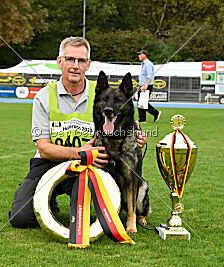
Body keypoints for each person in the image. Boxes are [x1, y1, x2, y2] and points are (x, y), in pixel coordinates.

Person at [8, 37, 147, 228]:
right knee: (21, 219)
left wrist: (135, 136)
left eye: (81, 61)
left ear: (88, 64)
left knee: (83, 220)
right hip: (49, 163)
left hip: (87, 167)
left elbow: (122, 121)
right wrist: (80, 152)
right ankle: (44, 197)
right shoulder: (44, 96)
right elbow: (44, 148)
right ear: (60, 62)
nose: (75, 65)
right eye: (70, 59)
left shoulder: (102, 94)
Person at [136, 50, 161, 123]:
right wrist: (139, 85)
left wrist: (146, 85)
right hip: (142, 85)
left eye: (140, 54)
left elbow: (149, 76)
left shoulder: (148, 64)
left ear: (144, 55)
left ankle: (154, 113)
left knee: (142, 102)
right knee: (141, 102)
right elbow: (143, 76)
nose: (139, 56)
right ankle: (143, 119)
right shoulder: (143, 64)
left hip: (146, 86)